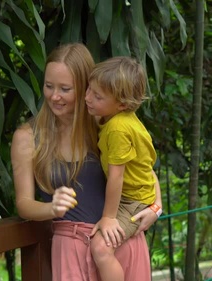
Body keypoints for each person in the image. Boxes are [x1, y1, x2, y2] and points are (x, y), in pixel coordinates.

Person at [11, 43, 160, 281]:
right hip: (71, 248)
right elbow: (23, 203)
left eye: (65, 89)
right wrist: (51, 208)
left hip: (118, 241)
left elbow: (145, 172)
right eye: (49, 86)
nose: (54, 96)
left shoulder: (107, 124)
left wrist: (156, 207)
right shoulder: (27, 137)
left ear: (86, 89)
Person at [85, 56, 162, 281]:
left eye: (97, 96)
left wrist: (108, 217)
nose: (88, 98)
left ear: (122, 104)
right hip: (136, 194)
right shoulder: (113, 117)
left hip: (132, 201)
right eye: (89, 89)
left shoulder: (118, 128)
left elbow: (117, 177)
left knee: (101, 246)